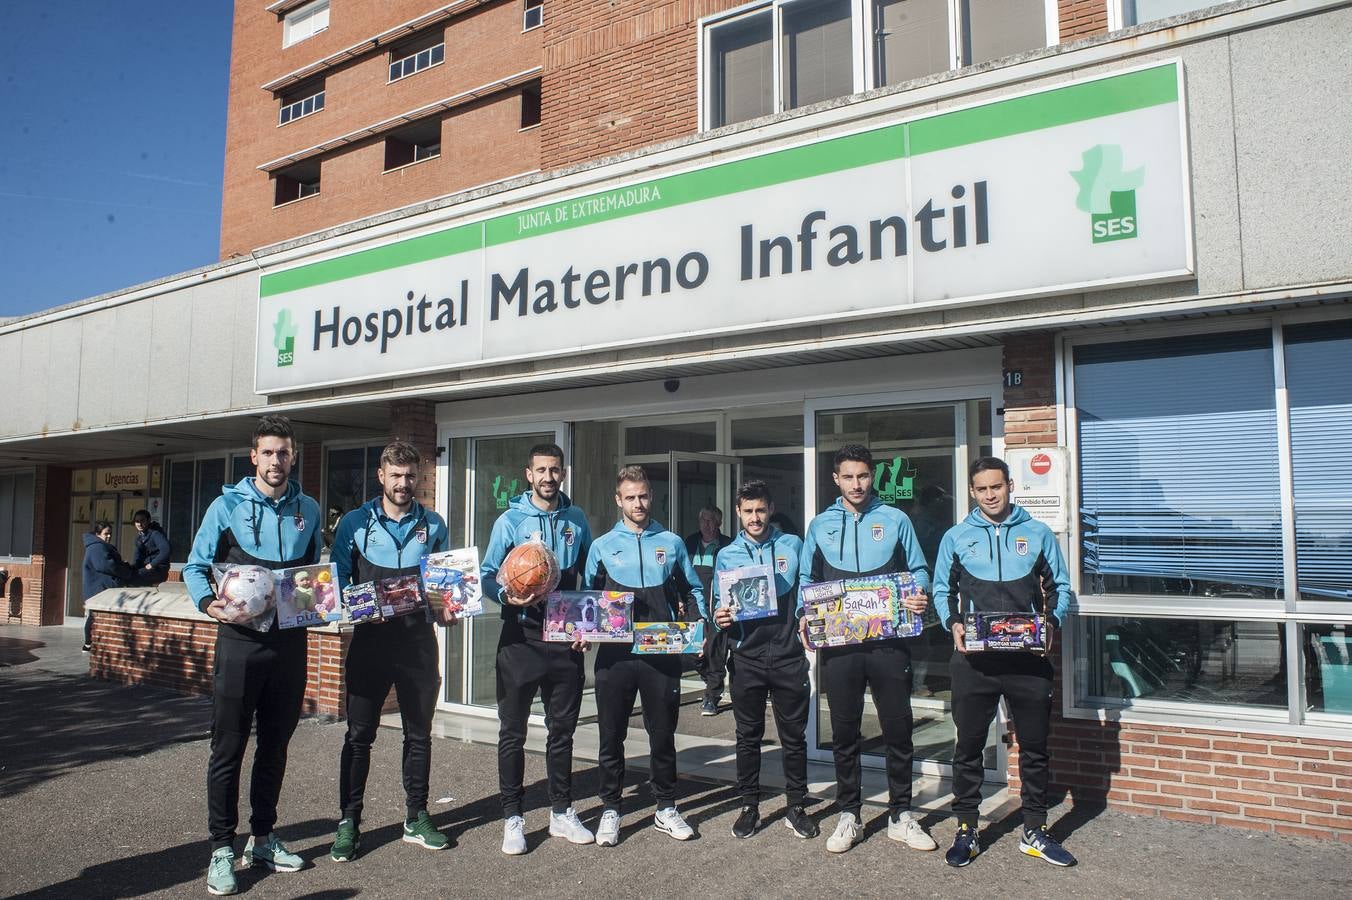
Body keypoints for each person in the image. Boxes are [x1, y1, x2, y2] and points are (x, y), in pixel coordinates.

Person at [183, 415, 320, 896]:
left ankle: (263, 837)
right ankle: (222, 847)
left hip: (289, 645)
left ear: (293, 455)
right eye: (268, 452)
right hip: (240, 644)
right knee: (228, 748)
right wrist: (207, 603)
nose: (276, 461)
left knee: (275, 747)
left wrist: (317, 602)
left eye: (283, 452)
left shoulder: (310, 509)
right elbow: (196, 567)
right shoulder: (225, 507)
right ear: (254, 457)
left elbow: (309, 577)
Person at [932, 456, 1075, 869]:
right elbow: (943, 590)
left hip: (1027, 661)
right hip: (974, 662)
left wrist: (1051, 623)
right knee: (969, 748)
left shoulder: (1038, 533)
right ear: (973, 492)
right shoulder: (957, 537)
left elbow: (1060, 587)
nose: (990, 494)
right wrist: (953, 624)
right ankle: (967, 830)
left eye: (997, 486)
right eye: (982, 489)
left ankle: (1035, 830)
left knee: (1034, 748)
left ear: (1010, 486)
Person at [800, 443, 936, 854]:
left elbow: (920, 570)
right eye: (848, 476)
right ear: (835, 479)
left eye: (863, 475)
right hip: (841, 646)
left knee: (897, 727)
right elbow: (807, 577)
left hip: (888, 644)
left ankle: (901, 814)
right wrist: (803, 616)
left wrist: (920, 593)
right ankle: (849, 814)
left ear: (872, 476)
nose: (857, 484)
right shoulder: (820, 524)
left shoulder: (896, 519)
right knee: (844, 730)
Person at [329, 441, 457, 862]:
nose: (403, 484)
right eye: (395, 476)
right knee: (359, 736)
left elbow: (443, 585)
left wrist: (448, 611)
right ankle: (349, 822)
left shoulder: (434, 524)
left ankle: (416, 816)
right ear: (381, 476)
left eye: (409, 476)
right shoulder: (353, 523)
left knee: (419, 735)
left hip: (418, 643)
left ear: (418, 478)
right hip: (370, 642)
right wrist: (359, 605)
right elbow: (337, 583)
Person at [480, 442, 595, 855]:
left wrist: (590, 624)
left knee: (561, 732)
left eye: (556, 470)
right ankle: (513, 816)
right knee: (512, 731)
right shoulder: (509, 521)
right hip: (520, 639)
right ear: (529, 474)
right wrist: (506, 596)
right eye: (541, 470)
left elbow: (588, 575)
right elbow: (488, 574)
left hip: (564, 641)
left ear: (563, 473)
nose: (549, 477)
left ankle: (561, 812)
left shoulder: (576, 519)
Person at [585, 465, 704, 847]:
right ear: (618, 500)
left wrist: (698, 630)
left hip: (661, 654)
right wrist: (580, 631)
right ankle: (610, 809)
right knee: (611, 735)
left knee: (663, 733)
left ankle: (666, 807)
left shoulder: (671, 542)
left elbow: (692, 591)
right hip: (614, 658)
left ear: (652, 496)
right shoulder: (602, 545)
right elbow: (585, 599)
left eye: (644, 496)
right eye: (630, 497)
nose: (638, 503)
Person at [712, 481, 818, 841]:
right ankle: (749, 806)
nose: (754, 518)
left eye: (760, 510)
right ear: (738, 513)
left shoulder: (792, 545)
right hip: (747, 658)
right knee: (747, 737)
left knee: (794, 737)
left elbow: (805, 587)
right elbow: (717, 605)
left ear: (770, 509)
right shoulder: (727, 555)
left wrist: (805, 614)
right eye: (747, 511)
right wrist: (719, 617)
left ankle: (795, 806)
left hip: (788, 655)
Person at [684, 505, 731, 715]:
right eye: (703, 520)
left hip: (717, 608)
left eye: (712, 520)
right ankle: (710, 679)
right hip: (695, 607)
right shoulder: (689, 543)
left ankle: (712, 696)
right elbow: (681, 575)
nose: (707, 524)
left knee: (716, 652)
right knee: (695, 653)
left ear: (719, 523)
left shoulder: (727, 546)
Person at [81, 520, 134, 652]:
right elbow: (106, 566)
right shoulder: (97, 547)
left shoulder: (98, 546)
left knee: (96, 617)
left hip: (102, 589)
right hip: (99, 590)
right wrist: (125, 570)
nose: (109, 536)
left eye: (110, 533)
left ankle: (92, 643)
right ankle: (88, 643)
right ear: (98, 534)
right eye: (106, 533)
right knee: (93, 617)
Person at [131, 509, 172, 586]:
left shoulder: (156, 534)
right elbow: (137, 557)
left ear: (148, 520)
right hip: (145, 569)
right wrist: (132, 567)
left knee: (134, 577)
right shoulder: (139, 537)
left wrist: (152, 564)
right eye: (137, 521)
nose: (139, 524)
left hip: (158, 569)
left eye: (142, 521)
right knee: (127, 574)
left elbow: (166, 550)